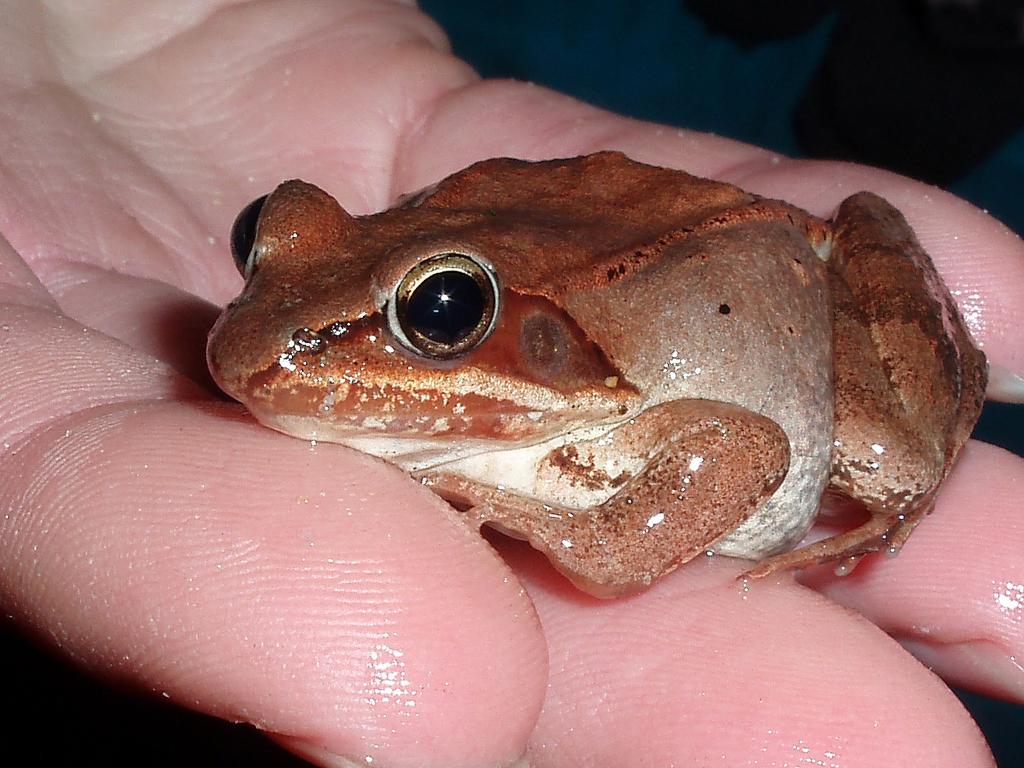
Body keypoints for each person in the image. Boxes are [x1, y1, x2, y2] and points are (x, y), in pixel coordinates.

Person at [1, 2, 1022, 766]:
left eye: (438, 316)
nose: (263, 344)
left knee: (883, 462)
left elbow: (744, 447)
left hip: (768, 284)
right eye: (264, 250)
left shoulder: (599, 416)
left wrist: (603, 544)